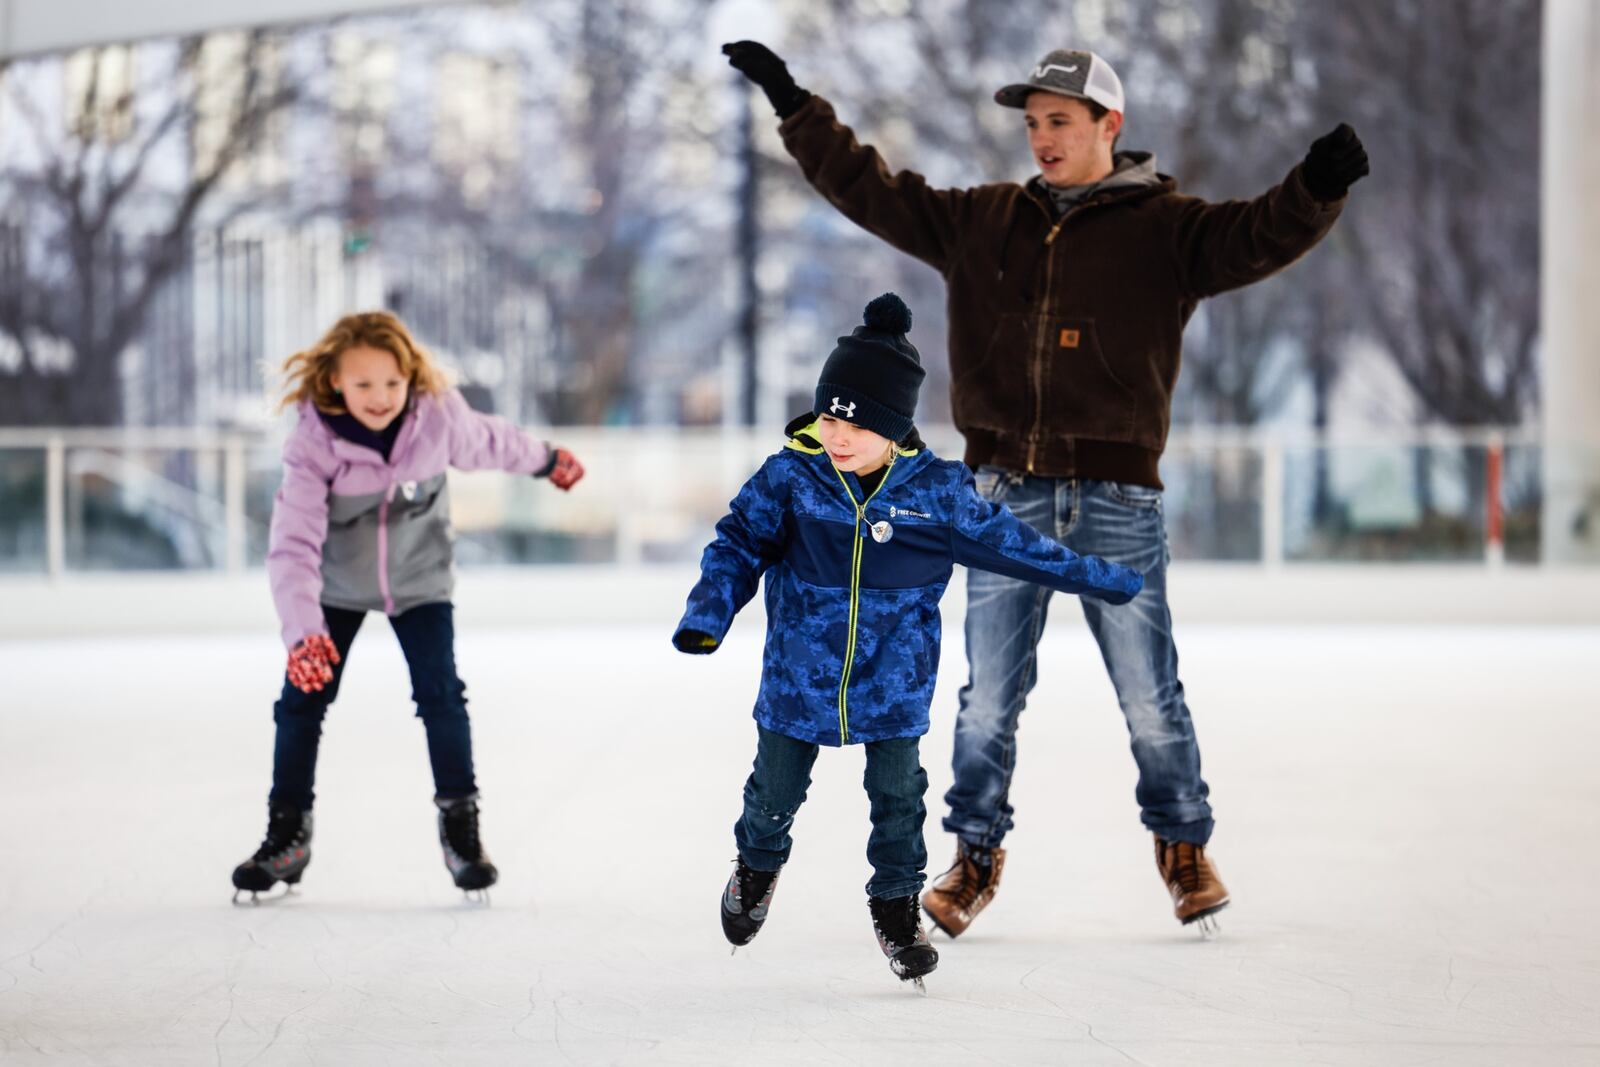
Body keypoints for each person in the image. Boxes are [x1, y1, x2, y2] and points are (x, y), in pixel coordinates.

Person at [722, 40, 1369, 936]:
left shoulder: (1168, 231)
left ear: (1111, 124)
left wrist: (1317, 186)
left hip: (1117, 497)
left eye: (1059, 121)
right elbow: (870, 189)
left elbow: (1258, 232)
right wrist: (795, 103)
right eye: (1032, 124)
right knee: (988, 693)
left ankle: (1183, 846)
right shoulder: (983, 220)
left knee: (1150, 691)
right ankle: (974, 855)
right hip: (1001, 493)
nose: (1042, 139)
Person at [672, 293, 1142, 988]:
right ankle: (757, 868)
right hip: (798, 681)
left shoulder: (938, 495)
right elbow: (737, 543)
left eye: (854, 425)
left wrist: (1101, 578)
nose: (836, 435)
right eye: (829, 416)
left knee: (900, 803)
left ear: (894, 428)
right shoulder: (792, 479)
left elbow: (1022, 548)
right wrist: (710, 612)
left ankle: (895, 908)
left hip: (893, 687)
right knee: (771, 794)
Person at [230, 310, 584, 902]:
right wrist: (303, 635)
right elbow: (291, 544)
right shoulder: (313, 443)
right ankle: (287, 833)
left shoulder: (437, 418)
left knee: (441, 696)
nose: (380, 397)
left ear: (410, 379)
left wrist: (546, 458)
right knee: (302, 700)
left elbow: (492, 441)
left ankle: (461, 832)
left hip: (419, 580)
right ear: (335, 380)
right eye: (364, 384)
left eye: (392, 383)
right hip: (336, 587)